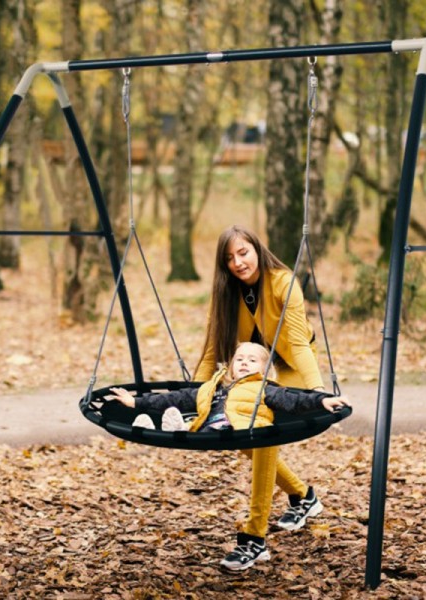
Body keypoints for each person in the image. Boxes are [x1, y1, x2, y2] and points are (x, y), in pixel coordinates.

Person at [105, 342, 349, 571]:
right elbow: (175, 397)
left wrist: (322, 400)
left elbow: (295, 400)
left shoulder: (264, 389)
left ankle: (254, 540)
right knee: (184, 415)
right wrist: (136, 402)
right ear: (231, 365)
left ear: (264, 371)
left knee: (263, 470)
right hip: (217, 430)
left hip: (257, 432)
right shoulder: (213, 387)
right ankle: (304, 497)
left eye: (252, 360)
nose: (244, 363)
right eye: (239, 359)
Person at [194, 225, 334, 570]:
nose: (238, 262)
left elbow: (299, 343)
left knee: (263, 434)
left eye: (243, 252)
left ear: (257, 249)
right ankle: (303, 496)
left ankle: (255, 537)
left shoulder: (283, 282)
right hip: (254, 368)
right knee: (245, 435)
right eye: (230, 258)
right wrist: (193, 396)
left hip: (290, 363)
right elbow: (212, 348)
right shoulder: (226, 293)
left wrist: (316, 390)